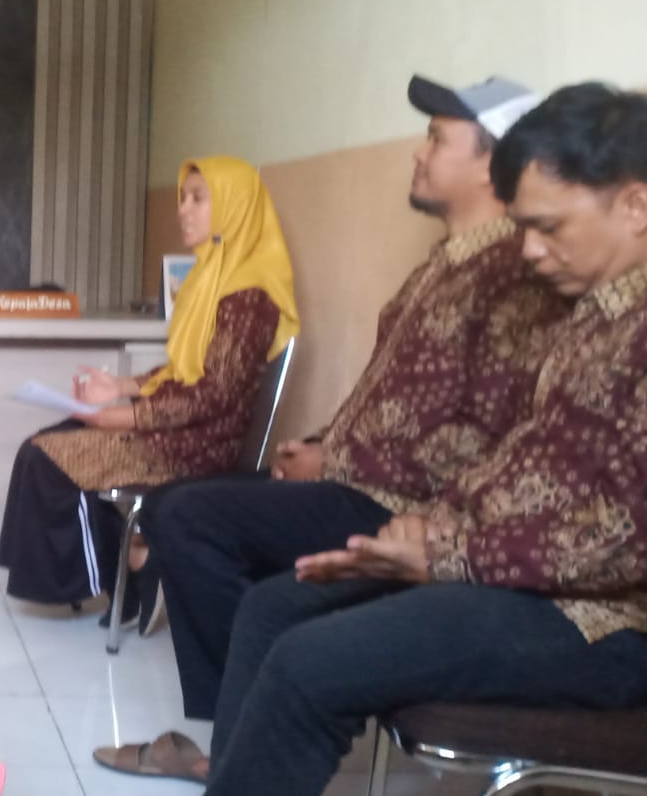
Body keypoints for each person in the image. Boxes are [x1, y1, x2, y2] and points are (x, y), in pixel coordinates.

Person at [93, 76, 571, 784]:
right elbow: (389, 396)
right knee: (185, 516)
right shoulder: (444, 263)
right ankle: (245, 740)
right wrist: (323, 443)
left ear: (489, 163)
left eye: (437, 139)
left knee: (188, 516)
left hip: (400, 505)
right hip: (356, 478)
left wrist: (341, 463)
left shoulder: (515, 276)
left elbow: (492, 430)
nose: (419, 152)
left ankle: (248, 740)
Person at [201, 83, 647, 796]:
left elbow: (627, 537)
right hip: (528, 576)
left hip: (608, 622)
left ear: (636, 205)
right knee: (276, 606)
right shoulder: (597, 314)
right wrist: (431, 527)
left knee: (309, 664)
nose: (530, 250)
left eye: (549, 227)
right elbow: (525, 460)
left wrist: (448, 556)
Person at [0, 156, 299, 612]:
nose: (183, 209)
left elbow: (217, 393)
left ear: (233, 206)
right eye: (182, 198)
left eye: (198, 199)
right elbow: (183, 371)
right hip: (174, 426)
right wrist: (122, 387)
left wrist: (126, 416)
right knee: (40, 446)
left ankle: (126, 577)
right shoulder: (207, 277)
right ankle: (133, 563)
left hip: (197, 443)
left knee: (47, 460)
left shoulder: (248, 294)